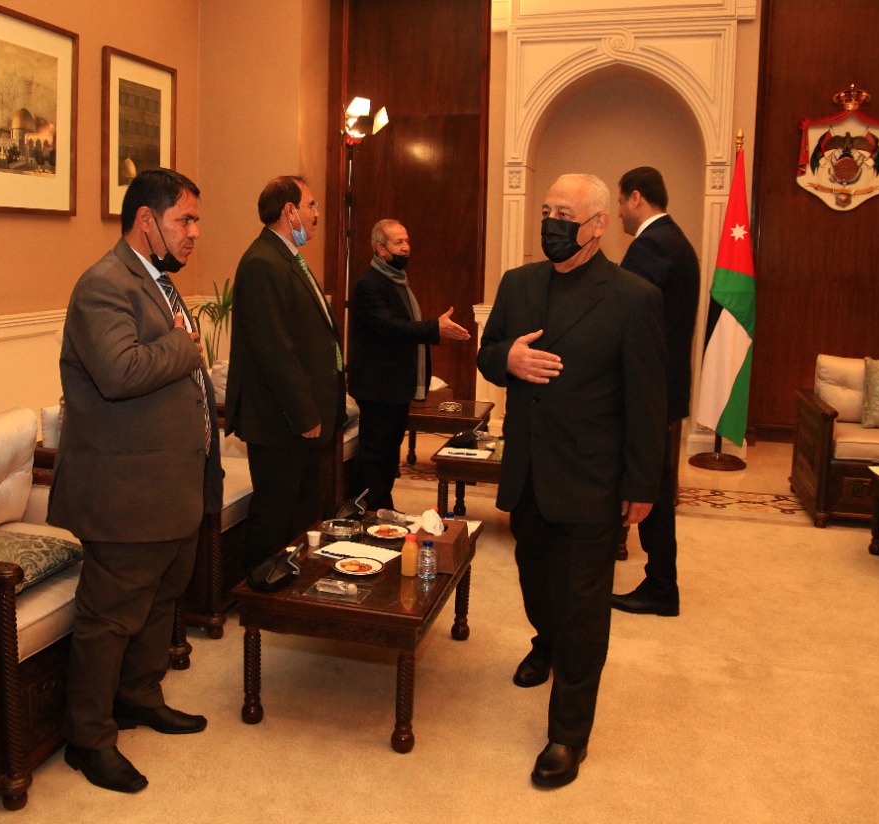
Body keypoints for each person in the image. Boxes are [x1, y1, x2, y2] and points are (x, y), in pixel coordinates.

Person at [476, 173, 666, 789]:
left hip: (591, 478)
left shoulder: (633, 297)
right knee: (535, 579)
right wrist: (507, 359)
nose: (551, 223)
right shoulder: (518, 283)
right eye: (547, 212)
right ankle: (546, 643)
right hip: (528, 472)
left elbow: (647, 402)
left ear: (599, 224)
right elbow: (487, 352)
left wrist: (642, 485)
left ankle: (568, 735)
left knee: (584, 608)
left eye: (565, 214)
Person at [47, 168, 221, 794]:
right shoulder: (104, 284)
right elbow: (118, 372)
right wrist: (185, 346)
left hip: (171, 485)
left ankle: (139, 696)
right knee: (110, 618)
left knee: (162, 599)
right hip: (125, 494)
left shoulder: (159, 281)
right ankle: (88, 738)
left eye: (196, 220)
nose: (194, 232)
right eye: (184, 220)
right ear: (146, 221)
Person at [225, 175, 345, 569]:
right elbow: (274, 349)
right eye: (310, 206)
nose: (316, 215)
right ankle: (260, 590)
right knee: (274, 516)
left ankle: (289, 584)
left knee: (299, 513)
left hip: (297, 419)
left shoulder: (287, 257)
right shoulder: (262, 262)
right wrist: (305, 414)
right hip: (280, 421)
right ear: (289, 211)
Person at [612, 166, 701, 617]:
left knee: (652, 489)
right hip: (666, 386)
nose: (619, 212)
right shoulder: (676, 240)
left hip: (649, 390)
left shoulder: (651, 246)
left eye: (620, 201)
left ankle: (662, 586)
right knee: (657, 485)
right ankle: (660, 581)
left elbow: (625, 316)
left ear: (636, 198)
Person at [348, 219, 470, 511]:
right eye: (398, 242)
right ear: (380, 249)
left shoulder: (397, 280)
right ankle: (370, 510)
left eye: (407, 241)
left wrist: (432, 328)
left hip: (395, 385)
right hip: (378, 386)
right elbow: (388, 327)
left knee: (390, 453)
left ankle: (383, 506)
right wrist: (434, 327)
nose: (406, 248)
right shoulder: (369, 284)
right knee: (376, 454)